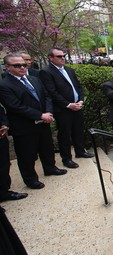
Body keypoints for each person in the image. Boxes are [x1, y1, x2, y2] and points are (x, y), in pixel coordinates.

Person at [0, 53, 67, 190]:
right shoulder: (4, 85)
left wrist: (48, 113)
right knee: (27, 155)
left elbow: (47, 96)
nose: (22, 67)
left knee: (47, 148)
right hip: (24, 126)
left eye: (24, 64)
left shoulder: (34, 79)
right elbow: (15, 106)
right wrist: (40, 115)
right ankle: (30, 179)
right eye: (17, 65)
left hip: (44, 122)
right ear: (7, 67)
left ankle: (50, 167)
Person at [39, 48, 94, 169]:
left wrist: (80, 100)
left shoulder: (69, 70)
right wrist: (68, 105)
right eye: (59, 56)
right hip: (63, 109)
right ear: (51, 58)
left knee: (78, 130)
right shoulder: (46, 72)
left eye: (63, 55)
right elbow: (52, 92)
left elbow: (78, 87)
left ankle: (80, 151)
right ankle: (67, 158)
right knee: (64, 134)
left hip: (77, 106)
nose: (62, 58)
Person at [0, 103, 28, 201]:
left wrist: (5, 124)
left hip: (1, 136)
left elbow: (1, 111)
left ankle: (4, 192)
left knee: (4, 164)